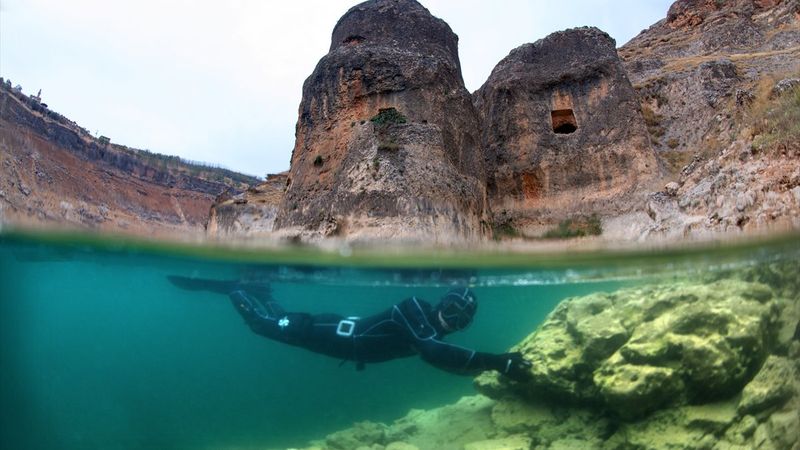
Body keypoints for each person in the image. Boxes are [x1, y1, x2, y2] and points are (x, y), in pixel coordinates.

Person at [227, 285, 532, 380]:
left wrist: (492, 366)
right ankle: (235, 289)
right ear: (441, 303)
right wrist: (497, 362)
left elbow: (443, 361)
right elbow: (432, 352)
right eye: (452, 311)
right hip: (327, 333)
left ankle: (263, 293)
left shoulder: (430, 333)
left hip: (340, 344)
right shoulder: (414, 308)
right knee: (260, 326)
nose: (453, 322)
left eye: (462, 321)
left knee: (279, 321)